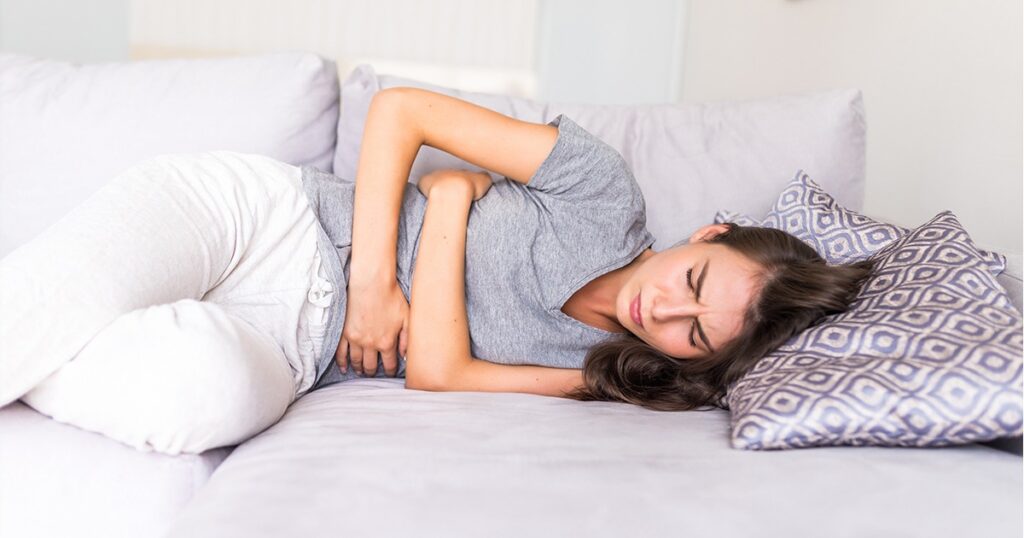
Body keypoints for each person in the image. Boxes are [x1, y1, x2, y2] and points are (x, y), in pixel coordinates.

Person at [0, 87, 872, 455]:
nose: (663, 313)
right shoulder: (603, 192)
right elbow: (400, 110)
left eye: (695, 336)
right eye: (693, 283)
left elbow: (438, 372)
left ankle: (62, 317)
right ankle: (58, 307)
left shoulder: (605, 372)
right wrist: (376, 285)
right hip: (263, 222)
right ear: (711, 231)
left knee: (205, 402)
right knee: (32, 311)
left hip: (292, 351)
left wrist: (450, 204)